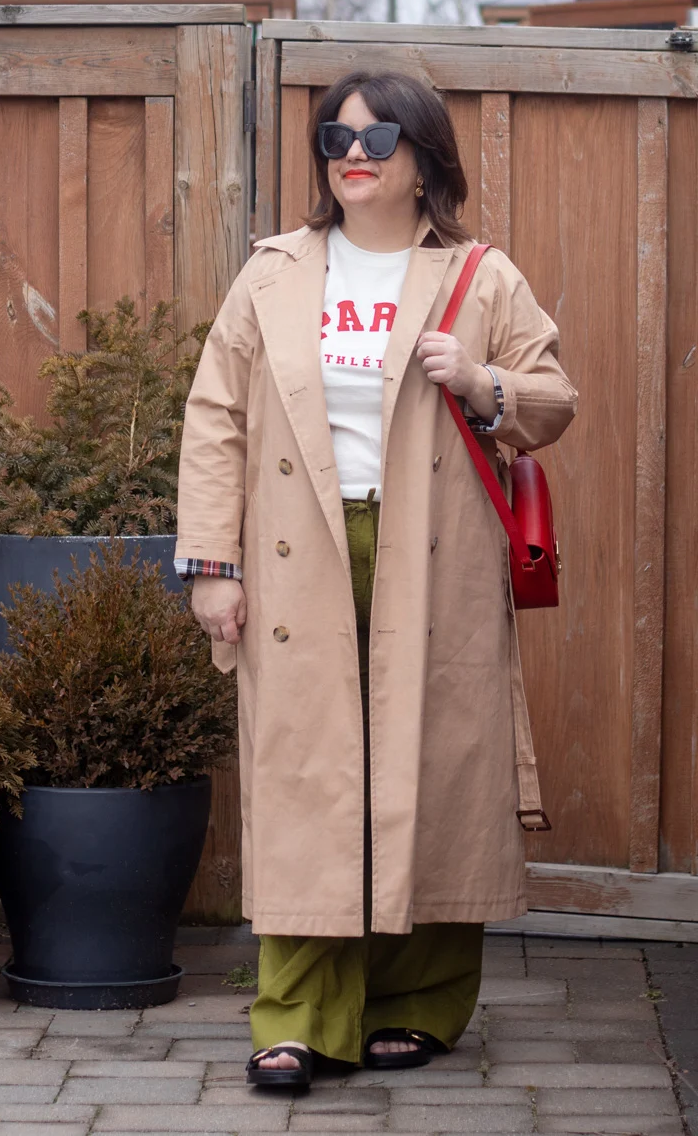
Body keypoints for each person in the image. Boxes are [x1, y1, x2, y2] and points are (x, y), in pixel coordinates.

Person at [174, 70, 578, 1090]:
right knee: (307, 778)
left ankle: (418, 1004)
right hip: (296, 553)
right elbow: (214, 419)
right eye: (334, 138)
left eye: (377, 136)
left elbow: (551, 399)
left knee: (428, 769)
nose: (352, 155)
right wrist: (212, 565)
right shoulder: (272, 273)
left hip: (432, 556)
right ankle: (298, 1015)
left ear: (423, 157)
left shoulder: (479, 277)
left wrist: (480, 382)